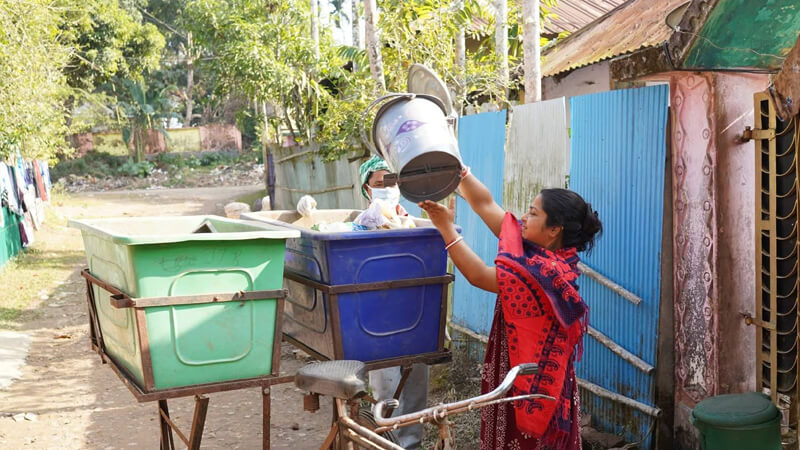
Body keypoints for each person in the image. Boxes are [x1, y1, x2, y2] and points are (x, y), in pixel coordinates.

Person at [419, 166, 602, 450]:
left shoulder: (543, 275)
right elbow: (485, 204)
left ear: (554, 229)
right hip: (519, 364)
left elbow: (478, 275)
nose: (524, 218)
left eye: (533, 213)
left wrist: (445, 227)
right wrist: (459, 170)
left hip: (531, 383)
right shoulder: (537, 250)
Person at [359, 155, 427, 449]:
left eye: (392, 181)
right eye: (379, 184)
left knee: (415, 391)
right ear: (366, 189)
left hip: (415, 317)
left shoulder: (415, 223)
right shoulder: (361, 224)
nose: (387, 188)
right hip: (378, 322)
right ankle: (382, 444)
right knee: (385, 393)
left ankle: (411, 444)